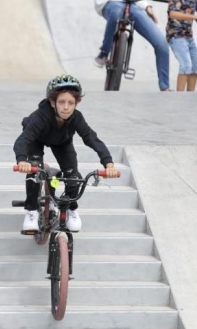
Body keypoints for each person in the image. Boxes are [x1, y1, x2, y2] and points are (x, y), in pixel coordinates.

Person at [14, 75, 120, 233]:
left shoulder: (76, 118)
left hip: (62, 142)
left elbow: (92, 138)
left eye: (71, 103)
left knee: (73, 176)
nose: (66, 107)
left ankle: (70, 208)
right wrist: (22, 160)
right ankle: (31, 211)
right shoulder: (40, 117)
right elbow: (22, 140)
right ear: (52, 102)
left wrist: (108, 163)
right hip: (37, 139)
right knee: (34, 169)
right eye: (61, 102)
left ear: (76, 104)